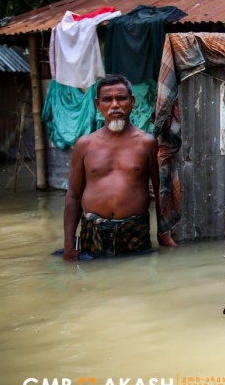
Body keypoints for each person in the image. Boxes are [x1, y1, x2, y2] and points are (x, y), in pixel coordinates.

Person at [63, 74, 178, 260]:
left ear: (132, 102)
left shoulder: (147, 143)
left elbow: (160, 192)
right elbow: (73, 196)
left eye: (121, 98)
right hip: (93, 233)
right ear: (97, 104)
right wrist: (69, 245)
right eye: (107, 99)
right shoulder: (84, 145)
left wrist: (163, 233)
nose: (115, 105)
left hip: (135, 231)